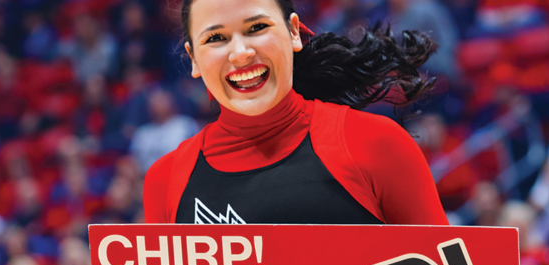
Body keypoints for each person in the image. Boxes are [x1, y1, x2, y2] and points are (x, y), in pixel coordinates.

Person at [143, 0, 447, 225]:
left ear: (292, 32)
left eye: (257, 28)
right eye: (215, 38)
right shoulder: (165, 181)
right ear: (193, 58)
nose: (241, 53)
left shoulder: (377, 142)